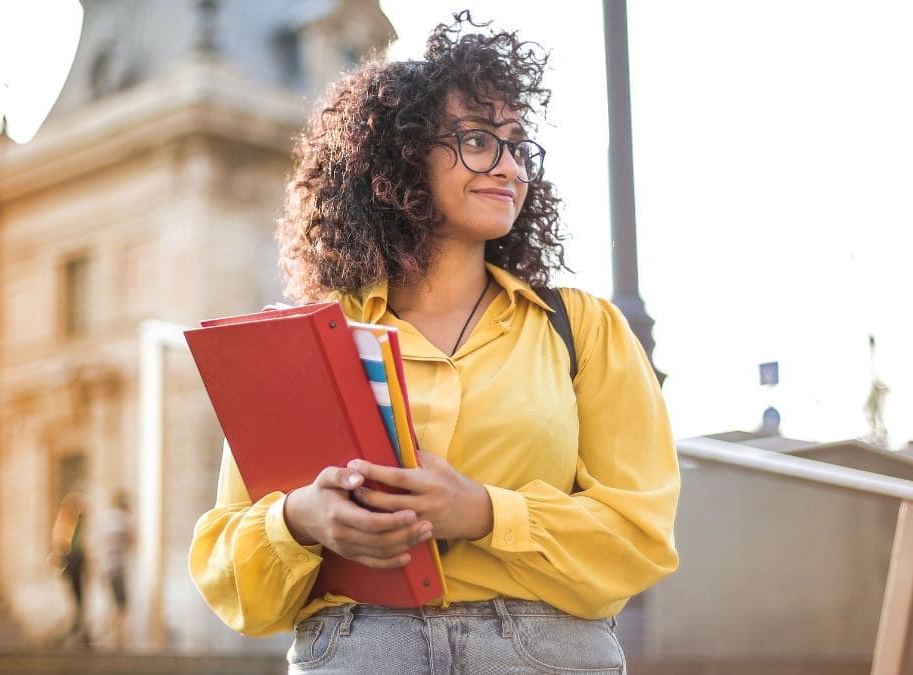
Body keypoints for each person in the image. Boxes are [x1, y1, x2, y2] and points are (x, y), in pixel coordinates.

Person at [189, 11, 679, 673]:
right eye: (478, 139)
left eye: (517, 144)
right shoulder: (308, 342)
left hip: (544, 652)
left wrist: (483, 511)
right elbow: (229, 572)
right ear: (401, 157)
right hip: (359, 647)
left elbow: (641, 537)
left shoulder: (583, 329)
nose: (508, 165)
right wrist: (302, 519)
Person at [50, 491, 89, 647]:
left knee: (79, 602)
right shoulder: (67, 525)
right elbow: (63, 548)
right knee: (77, 601)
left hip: (75, 565)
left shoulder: (74, 525)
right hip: (72, 565)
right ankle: (76, 631)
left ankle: (80, 631)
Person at [98, 490, 133, 649]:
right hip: (117, 568)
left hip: (107, 567)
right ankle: (119, 640)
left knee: (115, 605)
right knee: (121, 606)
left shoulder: (106, 519)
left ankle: (114, 639)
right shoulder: (120, 520)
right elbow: (130, 541)